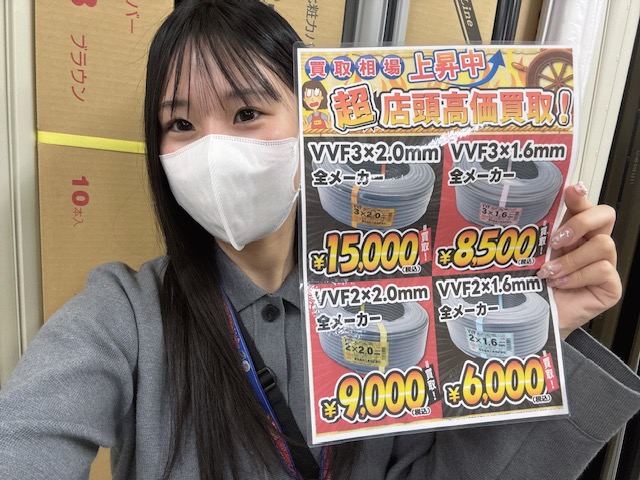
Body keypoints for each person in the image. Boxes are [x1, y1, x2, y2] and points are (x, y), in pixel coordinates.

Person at [1, 0, 639, 479]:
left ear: (315, 121)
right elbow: (25, 437)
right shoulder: (125, 313)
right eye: (181, 123)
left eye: (247, 113)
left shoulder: (404, 300)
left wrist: (540, 333)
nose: (212, 151)